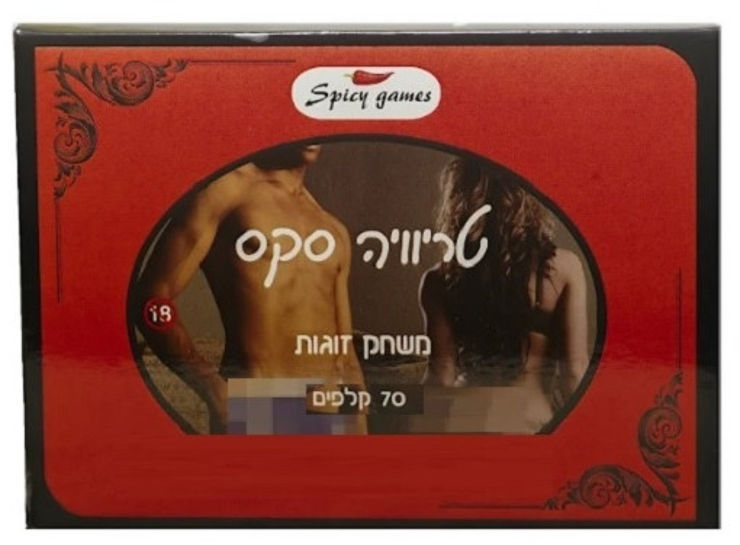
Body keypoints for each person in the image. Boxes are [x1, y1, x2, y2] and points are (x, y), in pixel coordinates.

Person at [135, 144, 366, 433]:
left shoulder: (333, 229)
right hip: (257, 410)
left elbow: (344, 353)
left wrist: (359, 429)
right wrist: (212, 388)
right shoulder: (226, 192)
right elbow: (151, 297)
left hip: (331, 418)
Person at [418, 157, 589, 432]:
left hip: (464, 423)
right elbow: (574, 372)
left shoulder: (438, 280)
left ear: (459, 203)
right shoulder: (564, 268)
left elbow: (441, 376)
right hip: (529, 423)